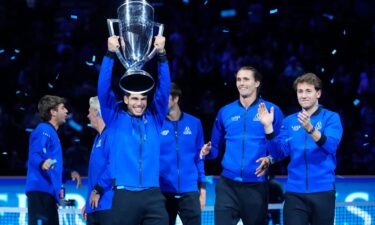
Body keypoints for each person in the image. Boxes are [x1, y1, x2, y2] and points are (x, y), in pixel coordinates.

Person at [98, 35, 170, 225]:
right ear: (126, 99)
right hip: (124, 194)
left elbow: (164, 90)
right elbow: (103, 90)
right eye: (135, 99)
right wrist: (109, 55)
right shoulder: (114, 118)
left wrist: (161, 55)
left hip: (153, 194)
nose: (140, 103)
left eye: (143, 99)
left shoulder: (155, 119)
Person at [200, 66, 284, 225]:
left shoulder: (272, 111)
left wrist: (270, 158)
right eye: (238, 79)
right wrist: (207, 152)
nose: (241, 83)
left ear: (257, 83)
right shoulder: (225, 111)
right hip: (227, 186)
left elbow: (281, 150)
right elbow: (215, 150)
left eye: (246, 79)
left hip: (256, 186)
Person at [258, 73, 343, 225]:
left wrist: (311, 129)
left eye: (308, 91)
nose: (303, 95)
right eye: (300, 91)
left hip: (323, 191)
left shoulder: (331, 118)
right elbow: (279, 152)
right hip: (294, 193)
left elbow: (331, 146)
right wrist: (268, 128)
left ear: (318, 93)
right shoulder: (290, 121)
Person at [25, 95, 81, 225]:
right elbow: (35, 154)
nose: (67, 111)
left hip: (49, 196)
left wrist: (68, 174)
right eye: (63, 108)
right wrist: (41, 163)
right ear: (53, 112)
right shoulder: (43, 129)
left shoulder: (52, 133)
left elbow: (52, 166)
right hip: (40, 194)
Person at [159, 83, 206, 225]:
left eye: (165, 98)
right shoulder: (155, 124)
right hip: (163, 192)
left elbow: (200, 158)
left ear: (176, 98)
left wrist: (202, 190)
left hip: (190, 192)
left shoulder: (194, 123)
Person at [81, 96, 113, 225]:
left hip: (107, 205)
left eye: (90, 111)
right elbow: (96, 173)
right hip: (94, 205)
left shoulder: (111, 135)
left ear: (98, 112)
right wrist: (88, 202)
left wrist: (97, 190)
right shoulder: (97, 138)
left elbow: (113, 167)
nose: (88, 115)